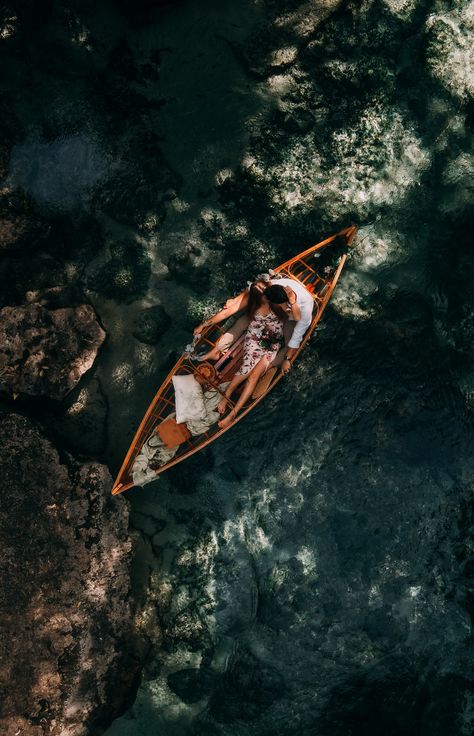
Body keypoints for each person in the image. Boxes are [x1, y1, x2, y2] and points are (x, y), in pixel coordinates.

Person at [217, 292, 286, 428]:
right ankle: (228, 393)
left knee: (253, 377)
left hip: (272, 344)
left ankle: (233, 414)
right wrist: (233, 301)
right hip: (257, 338)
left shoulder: (284, 309)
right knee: (247, 368)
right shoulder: (262, 304)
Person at [192, 279, 269, 362]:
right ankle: (215, 352)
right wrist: (203, 325)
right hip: (258, 310)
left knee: (246, 326)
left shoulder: (277, 297)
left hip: (271, 321)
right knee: (240, 323)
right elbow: (226, 313)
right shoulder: (256, 294)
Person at [263, 279, 314, 374]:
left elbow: (296, 337)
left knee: (289, 343)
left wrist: (287, 359)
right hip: (284, 311)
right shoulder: (276, 286)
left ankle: (269, 366)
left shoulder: (305, 310)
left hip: (294, 319)